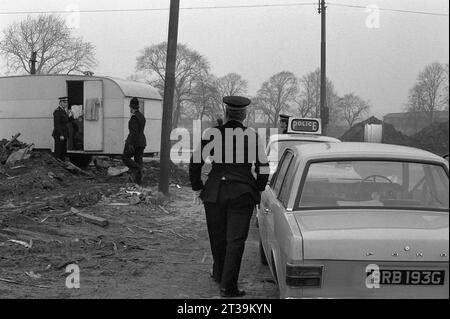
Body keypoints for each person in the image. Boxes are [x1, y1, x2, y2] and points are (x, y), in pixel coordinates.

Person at [189, 96, 269, 298]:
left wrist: (198, 187)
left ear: (226, 113)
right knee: (236, 240)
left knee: (218, 237)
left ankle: (218, 273)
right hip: (242, 193)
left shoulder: (212, 134)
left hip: (215, 191)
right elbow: (263, 168)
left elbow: (195, 162)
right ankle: (228, 286)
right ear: (245, 115)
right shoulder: (252, 136)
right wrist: (257, 188)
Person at [122, 97, 146, 185]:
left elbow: (133, 132)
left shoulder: (134, 118)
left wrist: (130, 143)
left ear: (132, 107)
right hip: (142, 142)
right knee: (138, 160)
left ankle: (139, 169)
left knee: (125, 157)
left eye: (130, 108)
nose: (130, 109)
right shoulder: (142, 116)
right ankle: (138, 182)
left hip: (135, 142)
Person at [52, 96, 70, 161]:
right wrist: (61, 134)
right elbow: (57, 124)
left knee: (63, 151)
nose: (66, 104)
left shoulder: (63, 111)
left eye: (67, 102)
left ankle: (62, 164)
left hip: (64, 134)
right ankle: (57, 166)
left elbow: (66, 121)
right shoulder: (57, 111)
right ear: (60, 103)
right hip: (59, 134)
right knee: (58, 151)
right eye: (65, 102)